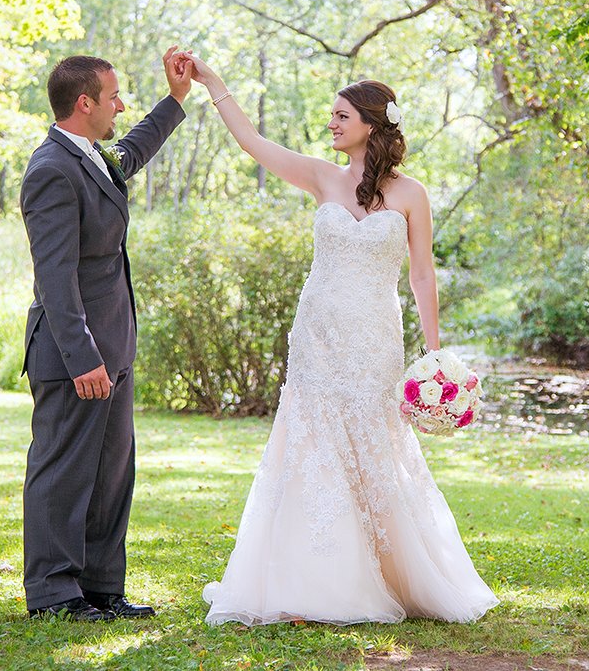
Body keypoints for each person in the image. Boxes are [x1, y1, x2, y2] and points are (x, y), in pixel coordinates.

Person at [187, 55, 499, 625]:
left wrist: (433, 354)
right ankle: (314, 574)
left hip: (375, 334)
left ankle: (392, 573)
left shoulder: (411, 194)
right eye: (330, 115)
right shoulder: (320, 176)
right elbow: (253, 142)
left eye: (341, 115)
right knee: (312, 436)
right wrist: (213, 84)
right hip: (318, 333)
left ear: (373, 123)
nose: (331, 123)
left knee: (373, 440)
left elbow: (422, 273)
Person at [19, 47, 191, 621]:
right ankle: (53, 594)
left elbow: (135, 149)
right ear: (84, 102)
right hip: (76, 356)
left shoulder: (92, 155)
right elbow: (56, 277)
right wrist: (83, 357)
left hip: (114, 349)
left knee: (111, 473)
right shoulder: (50, 169)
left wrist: (176, 100)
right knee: (63, 472)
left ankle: (99, 588)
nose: (122, 104)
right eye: (114, 96)